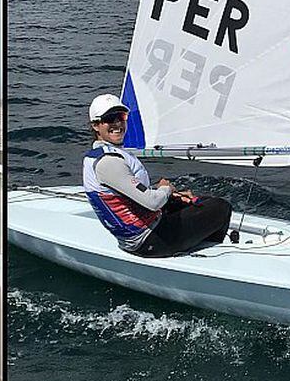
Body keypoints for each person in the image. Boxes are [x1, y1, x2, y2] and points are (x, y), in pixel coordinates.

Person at [82, 94, 233, 258]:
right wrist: (166, 189)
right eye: (110, 119)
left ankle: (198, 241)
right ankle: (208, 255)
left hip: (148, 228)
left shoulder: (101, 155)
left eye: (121, 116)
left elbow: (130, 192)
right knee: (221, 207)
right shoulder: (108, 162)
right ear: (96, 126)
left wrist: (169, 195)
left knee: (200, 202)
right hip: (149, 241)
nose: (117, 123)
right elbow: (152, 202)